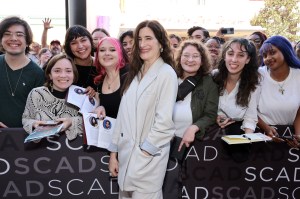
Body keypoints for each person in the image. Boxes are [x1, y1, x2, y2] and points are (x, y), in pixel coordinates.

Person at [108, 20, 178, 199]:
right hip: (125, 158)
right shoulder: (134, 74)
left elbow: (164, 123)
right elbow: (122, 116)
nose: (142, 44)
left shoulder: (166, 73)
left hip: (148, 162)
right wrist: (114, 154)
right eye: (139, 39)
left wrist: (144, 153)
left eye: (148, 38)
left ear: (161, 43)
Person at [173, 39, 219, 155]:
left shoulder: (209, 83)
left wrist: (193, 128)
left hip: (190, 143)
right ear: (180, 58)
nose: (190, 60)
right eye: (186, 55)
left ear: (202, 61)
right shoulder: (170, 77)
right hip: (163, 140)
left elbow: (210, 114)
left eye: (195, 56)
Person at [22, 53, 83, 141]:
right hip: (40, 151)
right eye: (57, 71)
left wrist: (71, 122)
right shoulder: (36, 94)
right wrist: (34, 124)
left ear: (74, 75)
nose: (63, 75)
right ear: (50, 75)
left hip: (72, 151)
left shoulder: (81, 97)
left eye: (68, 71)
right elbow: (26, 119)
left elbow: (91, 122)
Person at [0, 16, 45, 128]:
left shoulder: (37, 73)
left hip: (23, 139)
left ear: (27, 41)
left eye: (19, 34)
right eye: (7, 34)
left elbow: (38, 112)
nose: (13, 38)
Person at [257, 35, 300, 148]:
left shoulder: (298, 75)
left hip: (289, 137)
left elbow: (299, 112)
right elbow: (247, 107)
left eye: (272, 52)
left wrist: (298, 135)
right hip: (261, 135)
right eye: (264, 55)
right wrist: (266, 128)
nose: (267, 58)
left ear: (285, 50)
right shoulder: (257, 75)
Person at [214, 38, 260, 134]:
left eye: (241, 55)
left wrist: (247, 140)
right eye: (230, 54)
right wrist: (213, 117)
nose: (234, 60)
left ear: (248, 59)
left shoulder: (253, 82)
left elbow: (250, 118)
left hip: (236, 135)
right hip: (209, 136)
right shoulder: (213, 77)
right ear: (224, 56)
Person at [93, 37, 127, 119]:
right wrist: (99, 108)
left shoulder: (129, 75)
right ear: (97, 56)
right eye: (102, 50)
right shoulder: (98, 82)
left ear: (120, 53)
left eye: (112, 50)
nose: (107, 53)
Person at [64, 25, 97, 93]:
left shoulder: (102, 65)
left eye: (83, 40)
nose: (80, 46)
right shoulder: (64, 66)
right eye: (74, 43)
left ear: (90, 41)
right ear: (69, 47)